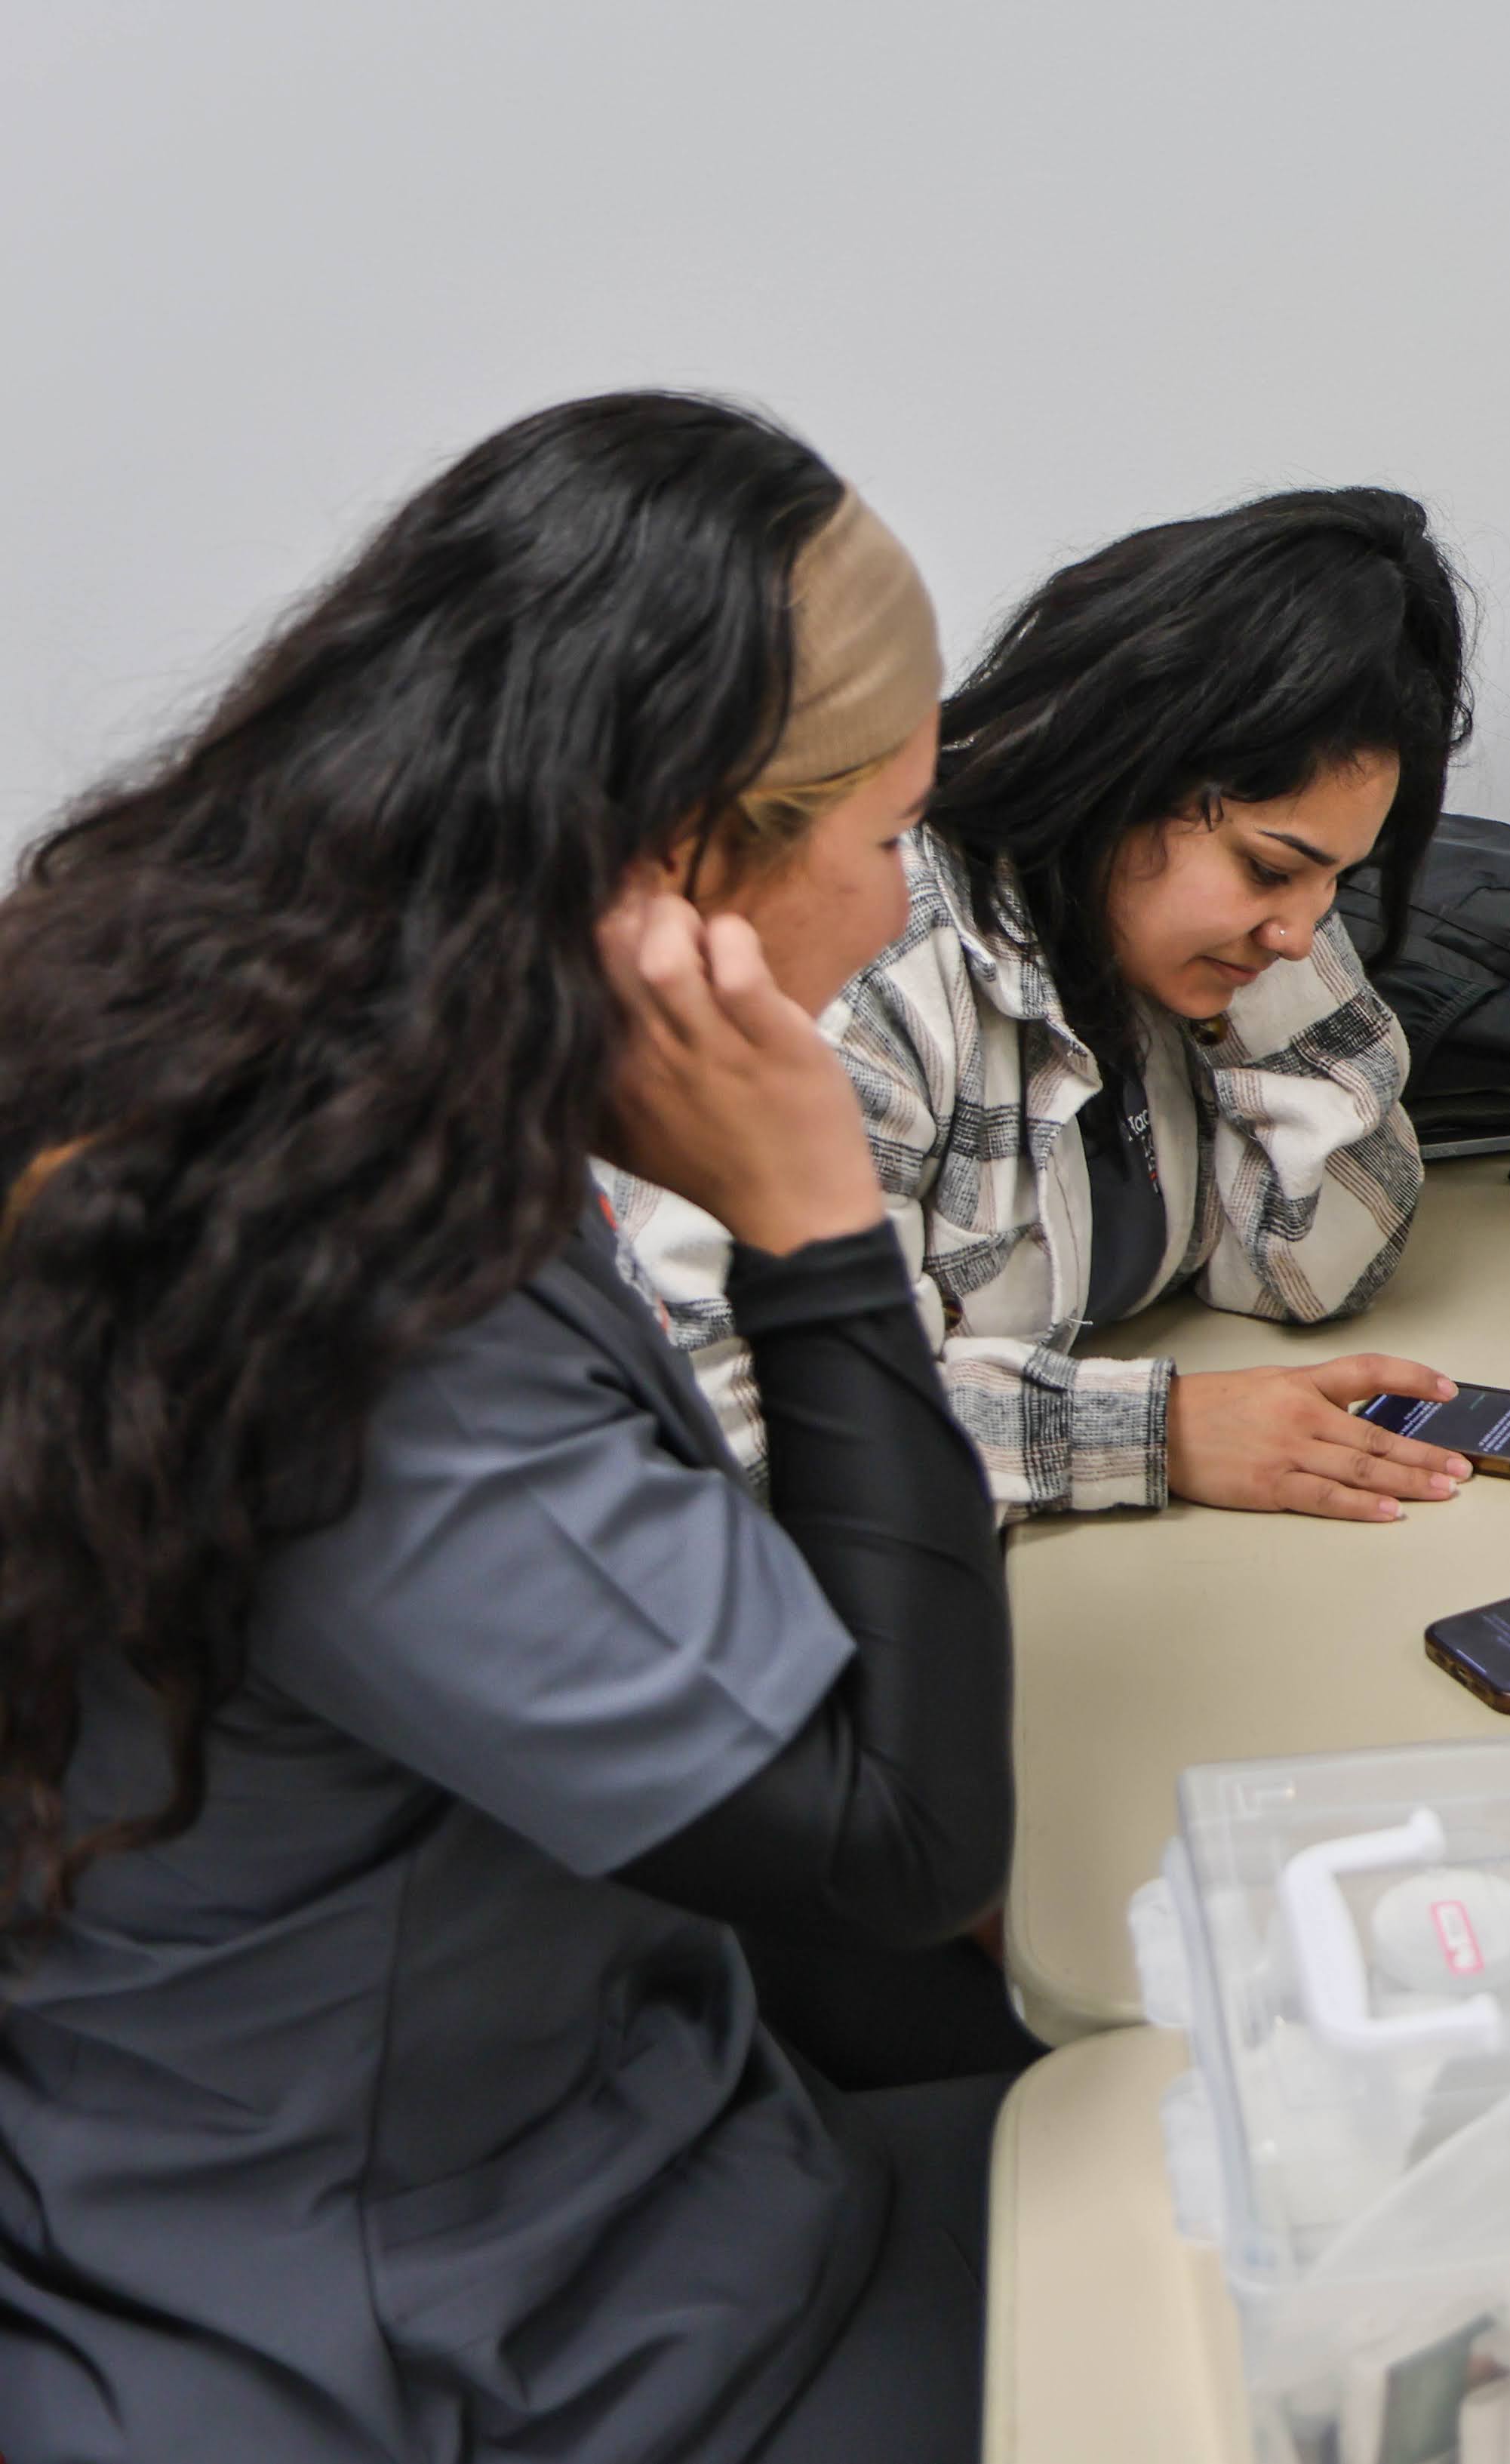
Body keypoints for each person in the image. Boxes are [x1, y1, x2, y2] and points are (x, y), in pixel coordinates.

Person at [0, 394, 1019, 2463]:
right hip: (431, 2339)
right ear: (677, 862)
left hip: (579, 2156)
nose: (900, 908)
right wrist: (817, 1228)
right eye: (884, 833)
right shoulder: (341, 1295)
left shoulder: (315, 1068)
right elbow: (901, 1840)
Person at [609, 488, 1480, 1524]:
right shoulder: (863, 964)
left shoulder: (1192, 945)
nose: (1301, 930)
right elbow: (733, 1423)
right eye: (1265, 866)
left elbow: (1314, 1266)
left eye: (1337, 876)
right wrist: (1156, 1432)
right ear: (1119, 773)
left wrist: (1272, 922)